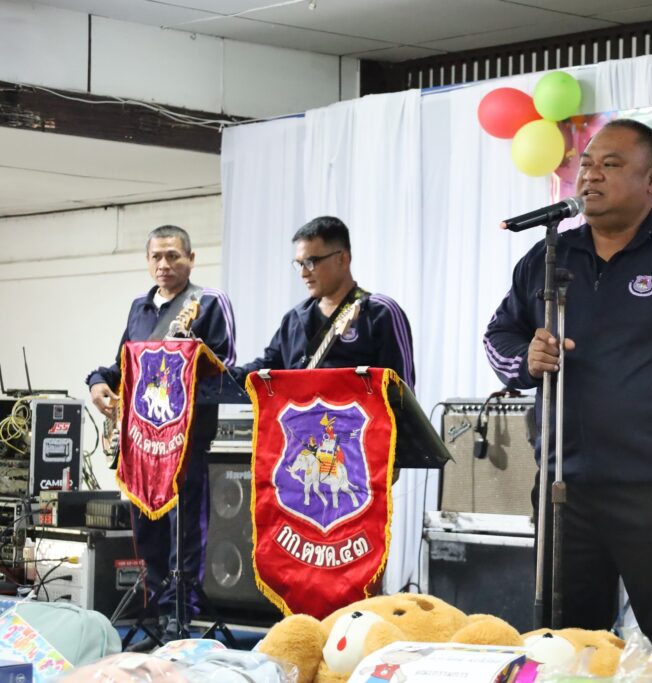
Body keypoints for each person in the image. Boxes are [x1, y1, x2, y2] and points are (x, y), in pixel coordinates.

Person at [482, 119, 652, 658]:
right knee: (567, 650)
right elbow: (498, 335)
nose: (591, 176)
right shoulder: (549, 256)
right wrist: (525, 360)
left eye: (611, 165)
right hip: (564, 489)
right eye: (586, 165)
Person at [86, 224, 236, 647]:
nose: (164, 264)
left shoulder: (208, 302)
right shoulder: (140, 307)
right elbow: (124, 365)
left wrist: (183, 366)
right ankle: (154, 616)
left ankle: (178, 619)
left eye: (173, 255)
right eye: (156, 256)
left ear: (191, 258)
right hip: (141, 443)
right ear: (148, 260)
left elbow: (224, 368)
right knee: (147, 533)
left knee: (183, 533)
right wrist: (98, 382)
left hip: (184, 442)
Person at [231, 215, 415, 387]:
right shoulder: (294, 319)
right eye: (299, 264)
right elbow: (266, 368)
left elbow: (401, 392)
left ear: (343, 259)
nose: (303, 273)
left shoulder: (380, 312)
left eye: (311, 262)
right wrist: (222, 374)